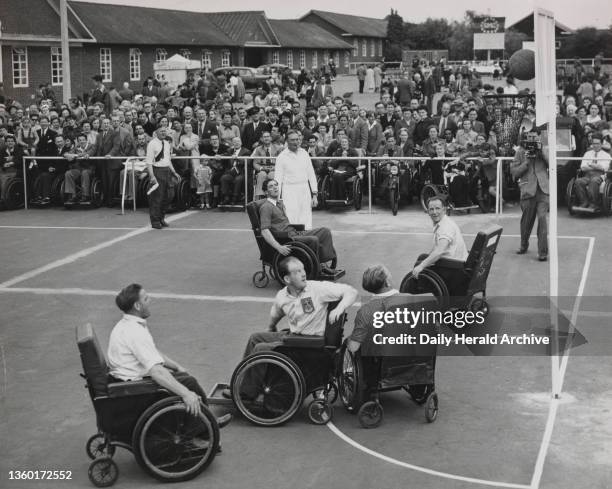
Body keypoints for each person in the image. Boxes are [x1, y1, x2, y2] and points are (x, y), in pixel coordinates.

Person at [108, 283, 231, 426]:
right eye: (146, 299)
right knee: (189, 385)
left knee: (185, 378)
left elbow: (152, 353)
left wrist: (176, 367)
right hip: (134, 389)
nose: (150, 301)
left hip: (128, 381)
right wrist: (186, 394)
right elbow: (157, 372)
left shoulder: (127, 325)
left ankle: (207, 421)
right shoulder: (135, 332)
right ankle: (205, 428)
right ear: (137, 306)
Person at [259, 179, 340, 274]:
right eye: (271, 186)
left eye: (276, 185)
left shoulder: (279, 204)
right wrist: (279, 247)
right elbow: (264, 231)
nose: (275, 187)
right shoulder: (266, 207)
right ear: (265, 192)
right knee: (313, 240)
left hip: (295, 233)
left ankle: (321, 263)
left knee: (325, 231)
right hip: (287, 238)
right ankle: (318, 268)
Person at [411, 196, 469, 297]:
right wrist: (426, 260)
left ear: (444, 209)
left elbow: (439, 251)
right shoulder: (444, 222)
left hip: (454, 270)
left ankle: (420, 297)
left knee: (420, 267)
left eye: (437, 208)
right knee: (422, 258)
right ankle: (417, 292)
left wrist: (421, 266)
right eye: (431, 209)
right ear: (428, 211)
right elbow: (436, 249)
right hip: (456, 263)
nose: (434, 212)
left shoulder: (445, 227)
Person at [510, 128, 549, 261]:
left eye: (534, 136)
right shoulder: (520, 152)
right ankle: (523, 244)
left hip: (543, 190)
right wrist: (526, 162)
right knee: (526, 222)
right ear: (526, 137)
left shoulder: (544, 148)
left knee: (542, 220)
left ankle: (543, 252)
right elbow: (514, 172)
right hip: (527, 190)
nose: (532, 139)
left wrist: (542, 152)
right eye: (529, 137)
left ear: (538, 136)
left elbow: (552, 164)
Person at [274, 130, 318, 230]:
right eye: (292, 140)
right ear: (287, 142)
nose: (296, 142)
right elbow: (278, 179)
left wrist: (314, 194)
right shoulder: (281, 157)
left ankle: (306, 240)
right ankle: (294, 241)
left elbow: (311, 174)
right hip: (289, 191)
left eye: (297, 139)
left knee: (306, 217)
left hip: (304, 189)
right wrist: (277, 199)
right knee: (291, 217)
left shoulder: (305, 154)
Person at [146, 126, 181, 229]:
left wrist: (174, 172)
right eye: (161, 131)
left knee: (169, 195)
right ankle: (155, 221)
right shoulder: (152, 144)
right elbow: (149, 162)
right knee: (157, 198)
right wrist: (152, 176)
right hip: (157, 171)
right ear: (156, 132)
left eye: (164, 131)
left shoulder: (166, 143)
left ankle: (161, 217)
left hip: (167, 171)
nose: (163, 133)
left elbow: (168, 159)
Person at [574, 134, 611, 209]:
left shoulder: (606, 155)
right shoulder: (587, 154)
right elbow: (583, 167)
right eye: (594, 143)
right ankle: (584, 202)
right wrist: (596, 166)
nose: (595, 145)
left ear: (601, 144)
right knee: (578, 181)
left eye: (597, 143)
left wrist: (591, 165)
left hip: (600, 176)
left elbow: (605, 168)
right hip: (587, 176)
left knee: (594, 181)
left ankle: (594, 203)